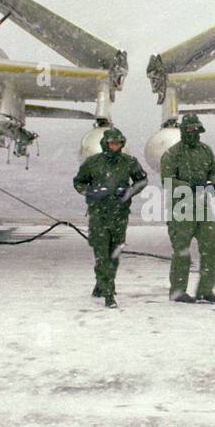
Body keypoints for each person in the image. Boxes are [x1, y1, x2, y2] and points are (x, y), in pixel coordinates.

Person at [72, 127, 147, 309]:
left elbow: (142, 180)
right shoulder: (92, 163)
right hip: (99, 215)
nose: (115, 146)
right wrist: (92, 191)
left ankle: (101, 283)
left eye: (118, 143)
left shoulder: (129, 162)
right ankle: (108, 292)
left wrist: (129, 192)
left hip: (119, 215)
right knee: (101, 252)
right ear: (105, 144)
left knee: (114, 253)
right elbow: (78, 182)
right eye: (112, 143)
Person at [161, 113, 215, 303]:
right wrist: (189, 187)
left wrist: (213, 183)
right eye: (189, 129)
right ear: (182, 130)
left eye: (195, 129)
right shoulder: (172, 154)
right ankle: (178, 291)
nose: (192, 132)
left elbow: (214, 171)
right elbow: (167, 180)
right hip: (181, 209)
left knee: (212, 249)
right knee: (182, 252)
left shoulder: (206, 151)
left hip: (203, 208)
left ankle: (205, 290)